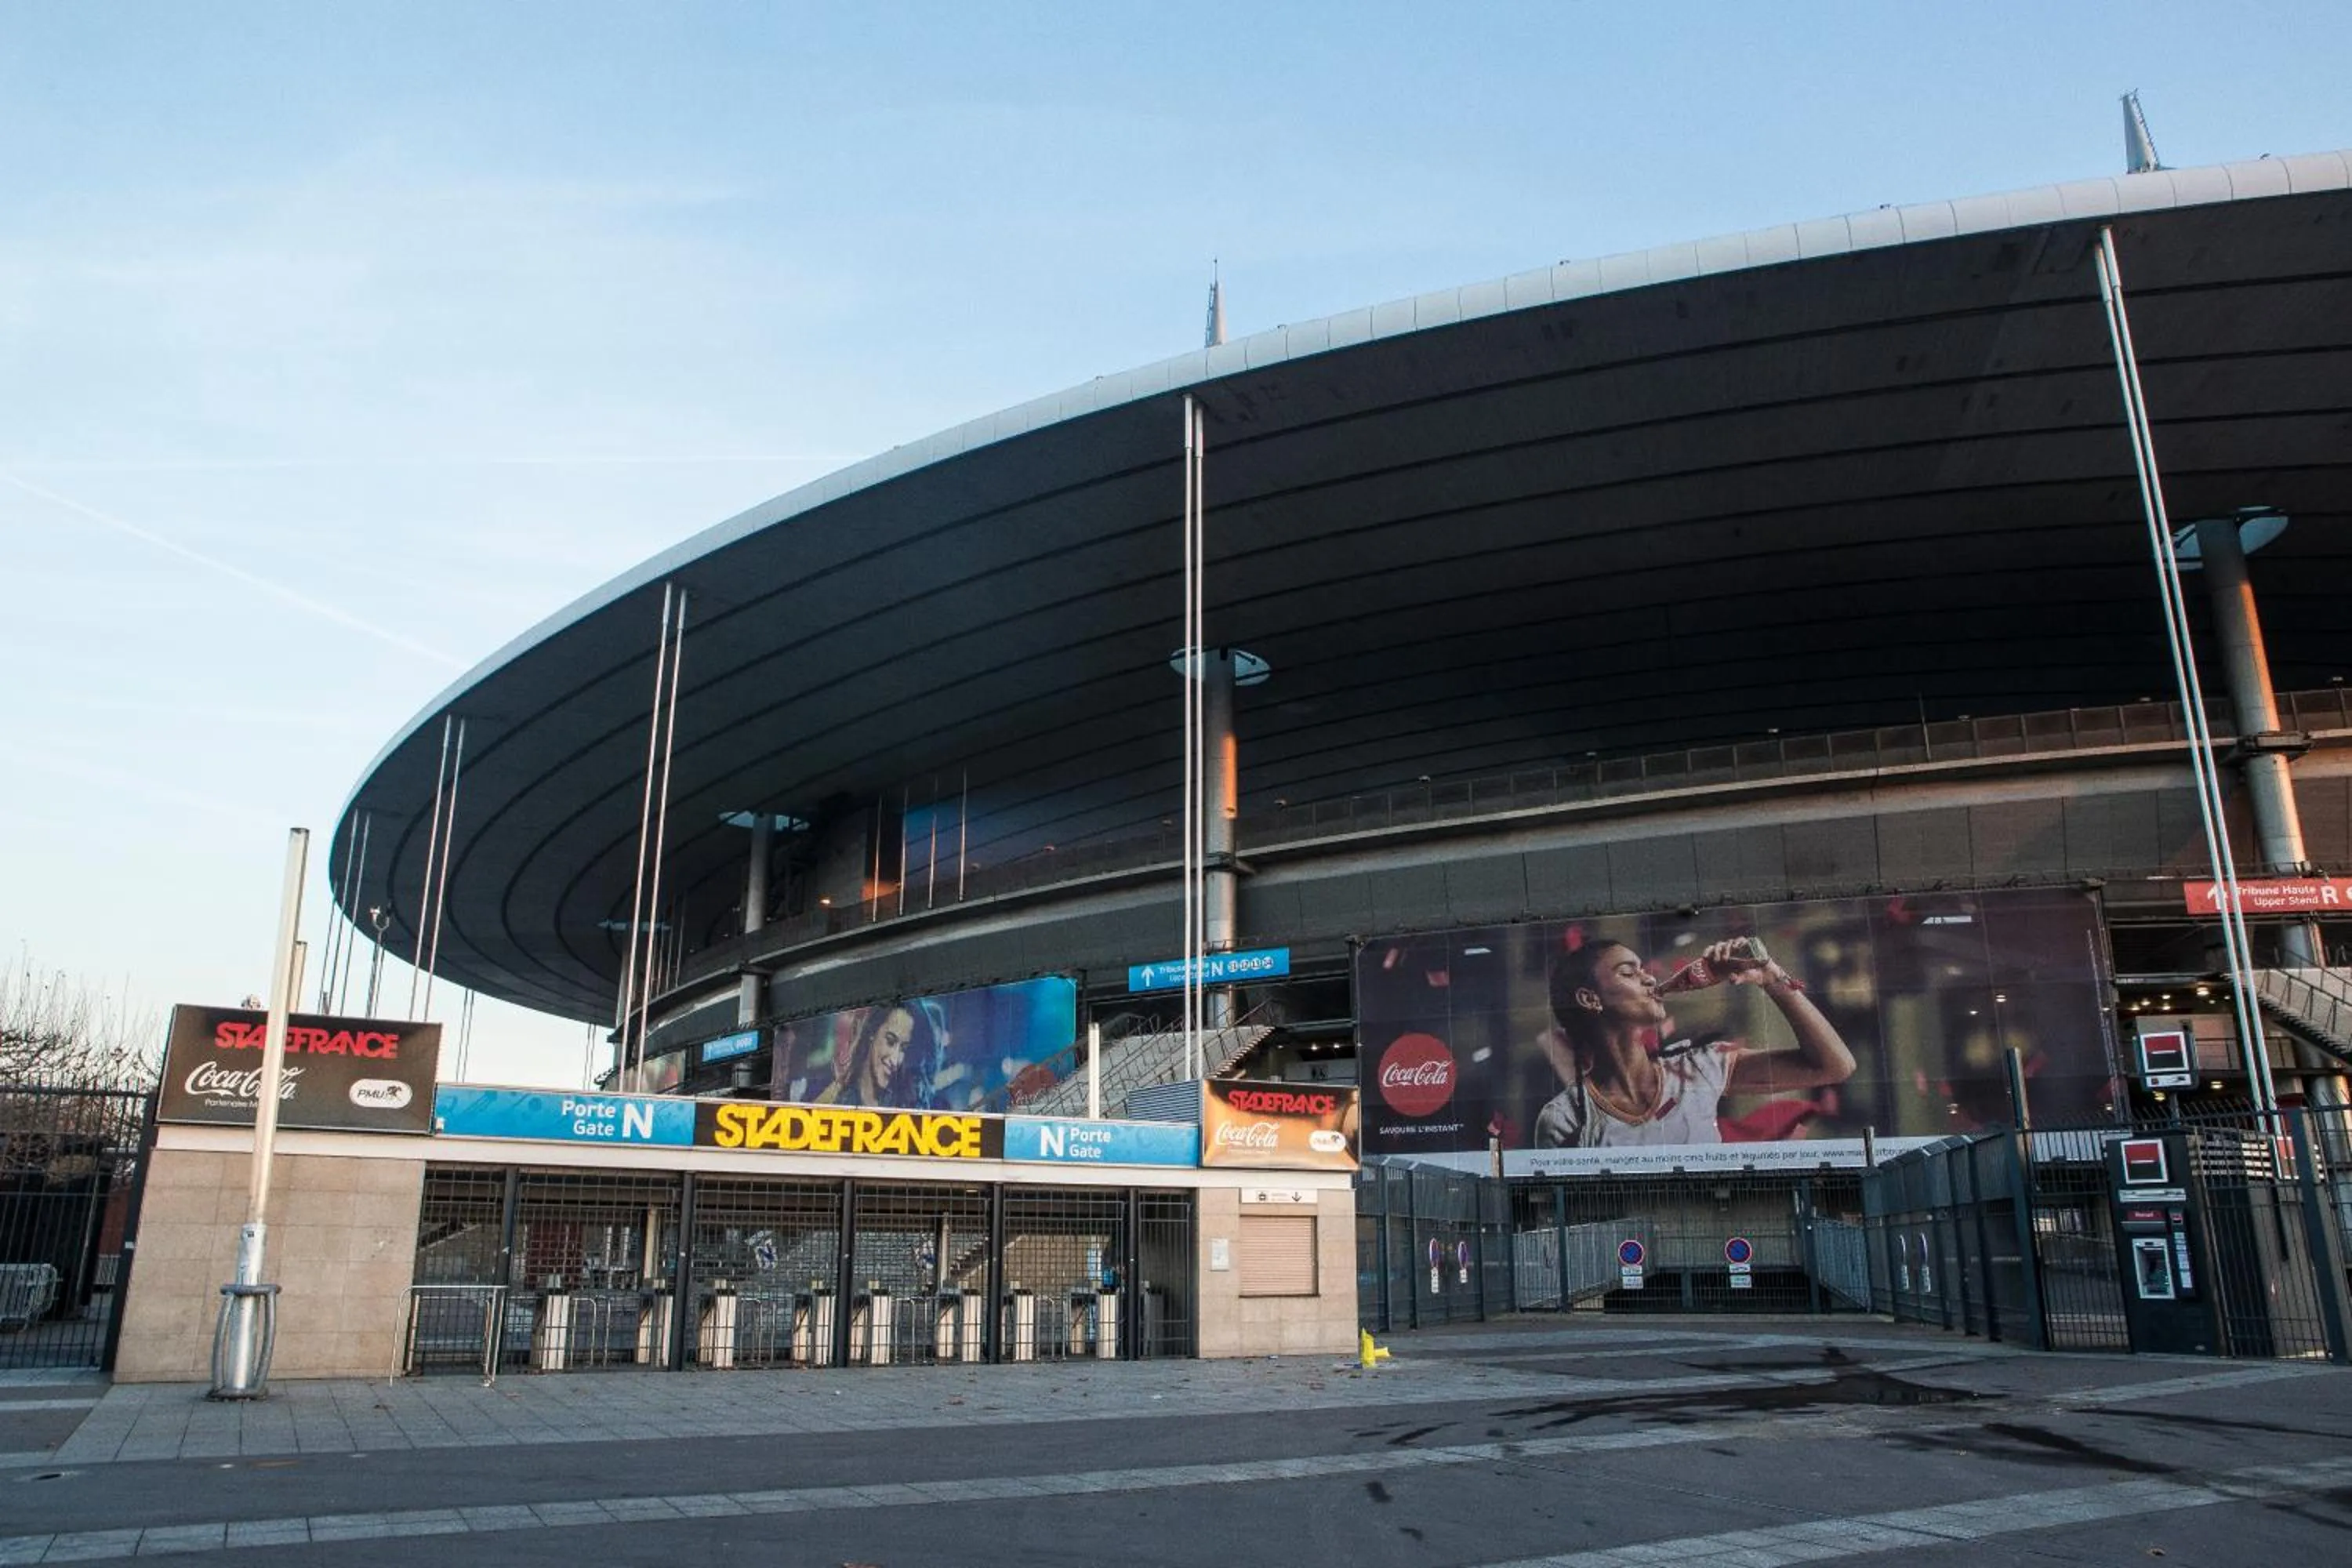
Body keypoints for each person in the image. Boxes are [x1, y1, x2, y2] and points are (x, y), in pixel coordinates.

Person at [1534, 937, 1854, 1148]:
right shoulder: (1566, 1119)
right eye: (1628, 973)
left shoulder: (1698, 1069)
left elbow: (1834, 1066)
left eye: (1645, 970)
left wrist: (1770, 977)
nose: (1649, 978)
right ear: (1590, 998)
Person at [815, 1004, 925, 1108]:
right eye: (890, 1041)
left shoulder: (905, 1102)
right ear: (873, 1031)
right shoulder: (836, 1098)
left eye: (903, 1049)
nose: (895, 1060)